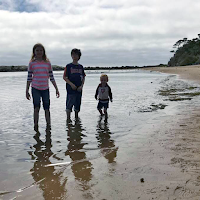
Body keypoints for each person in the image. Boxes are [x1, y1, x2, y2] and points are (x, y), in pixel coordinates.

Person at [26, 43, 60, 131]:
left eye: (41, 50)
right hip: (35, 88)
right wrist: (27, 90)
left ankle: (49, 127)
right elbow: (29, 77)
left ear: (43, 51)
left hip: (45, 88)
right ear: (34, 52)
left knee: (47, 108)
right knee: (36, 108)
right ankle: (36, 126)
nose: (39, 52)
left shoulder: (47, 63)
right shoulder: (32, 63)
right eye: (37, 50)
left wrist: (56, 88)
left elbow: (51, 76)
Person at [63, 48, 85, 120]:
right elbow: (64, 77)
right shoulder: (68, 66)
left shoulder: (80, 67)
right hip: (70, 89)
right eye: (73, 54)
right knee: (69, 104)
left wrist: (81, 86)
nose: (75, 56)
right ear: (71, 56)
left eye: (76, 55)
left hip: (79, 89)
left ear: (79, 56)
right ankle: (68, 119)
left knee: (77, 104)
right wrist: (71, 84)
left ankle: (76, 119)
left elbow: (83, 77)